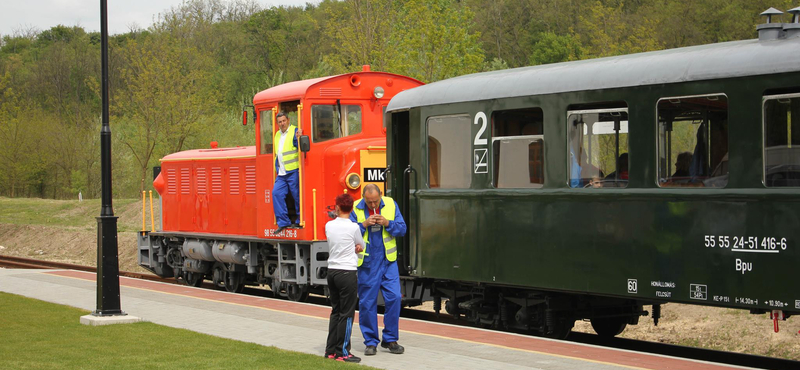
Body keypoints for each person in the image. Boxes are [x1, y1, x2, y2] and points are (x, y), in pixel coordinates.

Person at [350, 184, 407, 355]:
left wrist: (388, 223)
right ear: (363, 198)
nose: (373, 205)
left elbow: (402, 229)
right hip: (368, 263)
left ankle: (390, 339)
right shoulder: (356, 208)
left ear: (381, 195)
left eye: (376, 201)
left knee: (395, 298)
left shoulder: (390, 204)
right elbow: (349, 234)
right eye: (370, 202)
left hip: (388, 262)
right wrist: (364, 224)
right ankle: (371, 342)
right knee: (367, 303)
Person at [324, 194, 364, 363]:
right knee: (347, 314)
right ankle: (343, 352)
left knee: (335, 311)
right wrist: (356, 248)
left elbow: (334, 242)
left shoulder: (329, 225)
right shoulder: (354, 227)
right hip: (347, 272)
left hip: (332, 271)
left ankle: (331, 350)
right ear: (352, 208)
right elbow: (361, 246)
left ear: (337, 208)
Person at [273, 112, 300, 234]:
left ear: (288, 120)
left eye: (284, 121)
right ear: (277, 123)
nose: (282, 123)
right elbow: (277, 153)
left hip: (293, 170)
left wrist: (300, 136)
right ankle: (284, 222)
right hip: (282, 173)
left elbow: (300, 146)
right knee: (276, 193)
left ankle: (300, 220)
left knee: (297, 196)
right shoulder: (277, 135)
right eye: (280, 122)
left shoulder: (294, 132)